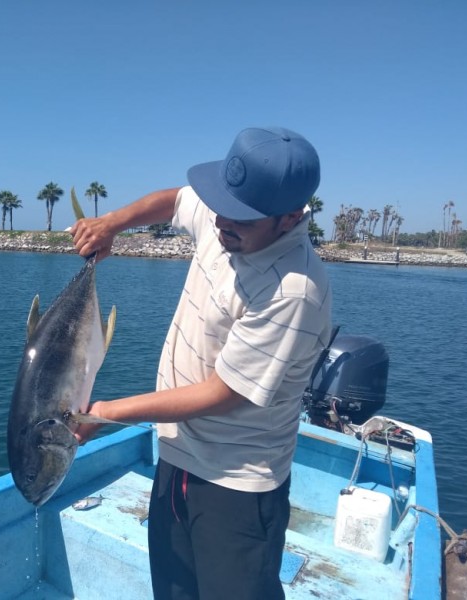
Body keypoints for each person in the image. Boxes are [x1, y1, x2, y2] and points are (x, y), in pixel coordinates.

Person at [70, 126, 332, 600]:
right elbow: (174, 201)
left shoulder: (294, 288)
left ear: (291, 216)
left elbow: (222, 393)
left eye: (241, 223)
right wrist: (111, 222)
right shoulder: (233, 213)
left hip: (236, 482)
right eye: (221, 211)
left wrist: (106, 413)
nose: (220, 226)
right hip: (178, 456)